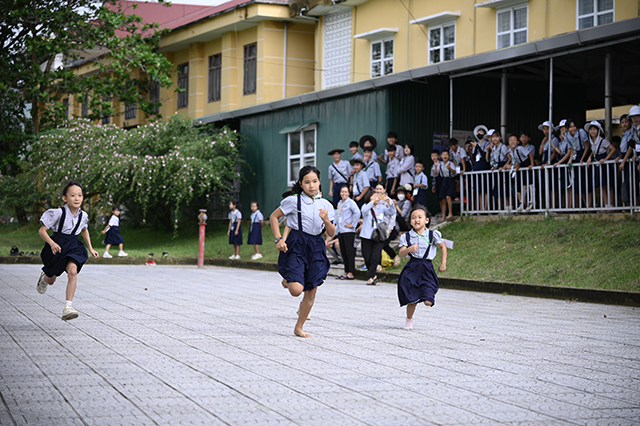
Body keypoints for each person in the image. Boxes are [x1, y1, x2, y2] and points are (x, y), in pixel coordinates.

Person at [269, 165, 335, 338]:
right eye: (307, 182)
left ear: (319, 182)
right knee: (296, 290)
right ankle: (291, 279)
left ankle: (299, 327)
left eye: (314, 181)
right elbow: (274, 217)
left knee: (311, 290)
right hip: (297, 243)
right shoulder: (293, 201)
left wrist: (326, 220)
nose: (311, 186)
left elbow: (331, 232)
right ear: (300, 183)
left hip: (317, 245)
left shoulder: (326, 205)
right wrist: (278, 239)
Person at [37, 180, 99, 321]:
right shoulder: (58, 213)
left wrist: (90, 247)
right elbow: (42, 231)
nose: (77, 198)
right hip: (57, 247)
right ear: (65, 198)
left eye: (80, 195)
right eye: (72, 195)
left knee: (73, 271)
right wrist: (52, 243)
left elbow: (84, 230)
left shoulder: (83, 216)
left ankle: (68, 307)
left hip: (73, 246)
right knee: (51, 280)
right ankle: (44, 278)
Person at [397, 205, 447, 330]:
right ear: (410, 221)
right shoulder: (406, 236)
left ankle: (426, 297)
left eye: (420, 217)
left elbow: (443, 247)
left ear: (427, 220)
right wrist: (409, 249)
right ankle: (409, 320)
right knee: (412, 299)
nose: (416, 220)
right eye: (413, 217)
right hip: (412, 268)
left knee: (428, 301)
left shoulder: (432, 234)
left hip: (427, 268)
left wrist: (443, 263)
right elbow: (401, 253)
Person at [359, 189, 395, 286]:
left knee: (376, 256)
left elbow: (392, 212)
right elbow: (363, 211)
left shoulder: (381, 207)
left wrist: (390, 202)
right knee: (367, 256)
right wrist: (372, 202)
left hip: (379, 235)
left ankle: (371, 277)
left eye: (377, 196)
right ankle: (373, 276)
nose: (376, 198)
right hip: (367, 235)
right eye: (374, 196)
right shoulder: (366, 206)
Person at [585, 120, 615, 209]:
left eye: (594, 129)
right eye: (591, 130)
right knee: (602, 185)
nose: (592, 131)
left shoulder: (603, 141)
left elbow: (613, 149)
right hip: (597, 163)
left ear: (598, 130)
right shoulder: (591, 141)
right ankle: (606, 205)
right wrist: (590, 157)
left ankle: (611, 206)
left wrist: (606, 159)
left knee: (608, 185)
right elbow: (594, 151)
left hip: (604, 164)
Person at [335, 185, 360, 280]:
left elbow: (357, 212)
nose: (344, 193)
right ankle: (346, 271)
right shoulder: (339, 203)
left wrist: (353, 224)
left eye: (346, 192)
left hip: (348, 231)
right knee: (344, 251)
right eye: (342, 192)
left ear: (349, 193)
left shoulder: (351, 202)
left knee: (349, 252)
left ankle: (351, 272)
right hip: (341, 230)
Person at [506, 134, 534, 212]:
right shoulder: (510, 150)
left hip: (526, 164)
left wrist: (532, 164)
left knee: (530, 184)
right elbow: (513, 159)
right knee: (523, 185)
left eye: (514, 140)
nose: (512, 142)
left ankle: (532, 202)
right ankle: (522, 203)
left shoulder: (520, 148)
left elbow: (530, 154)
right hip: (520, 166)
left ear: (518, 142)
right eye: (511, 140)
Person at [488, 130, 509, 210]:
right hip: (497, 168)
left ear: (500, 137)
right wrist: (493, 167)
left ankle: (507, 208)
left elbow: (509, 157)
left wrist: (504, 166)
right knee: (497, 189)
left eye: (496, 137)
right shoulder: (494, 148)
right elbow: (493, 159)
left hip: (503, 168)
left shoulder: (503, 147)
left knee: (505, 189)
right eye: (493, 137)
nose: (495, 139)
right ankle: (500, 208)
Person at [435, 149, 457, 219]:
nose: (445, 156)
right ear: (441, 156)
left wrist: (450, 168)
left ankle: (450, 213)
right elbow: (436, 174)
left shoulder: (451, 163)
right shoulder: (440, 164)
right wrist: (436, 166)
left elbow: (455, 172)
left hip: (450, 180)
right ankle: (443, 215)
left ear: (449, 156)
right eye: (443, 154)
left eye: (446, 155)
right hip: (443, 181)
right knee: (443, 199)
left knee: (448, 197)